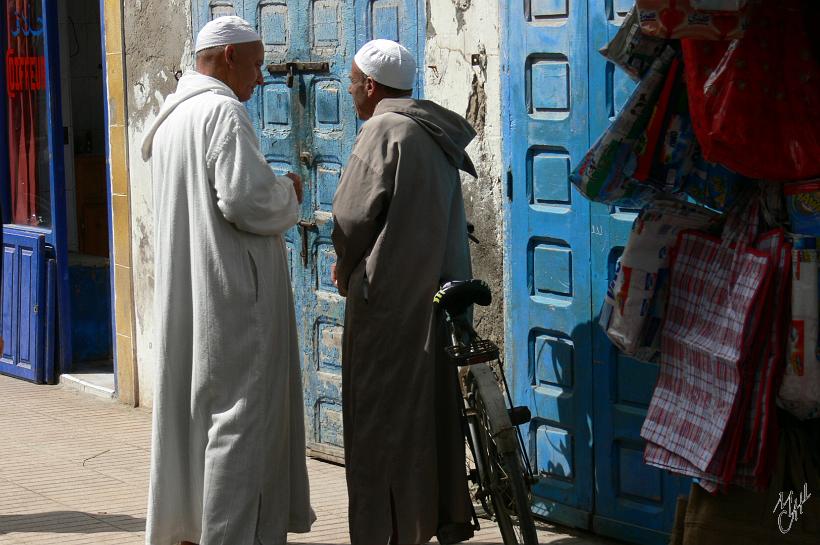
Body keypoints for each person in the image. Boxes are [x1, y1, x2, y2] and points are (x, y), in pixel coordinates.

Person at [140, 16, 314, 545]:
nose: (261, 77)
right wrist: (288, 190)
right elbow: (244, 199)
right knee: (237, 426)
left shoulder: (173, 118)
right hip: (232, 303)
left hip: (194, 294)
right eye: (257, 63)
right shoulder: (222, 111)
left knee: (201, 421)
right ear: (229, 56)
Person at [331, 39, 478, 545]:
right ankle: (429, 521)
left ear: (370, 86)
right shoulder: (433, 131)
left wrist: (345, 265)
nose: (350, 93)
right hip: (435, 303)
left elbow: (351, 217)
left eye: (352, 83)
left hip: (388, 307)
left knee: (377, 424)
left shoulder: (382, 129)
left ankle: (382, 533)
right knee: (426, 421)